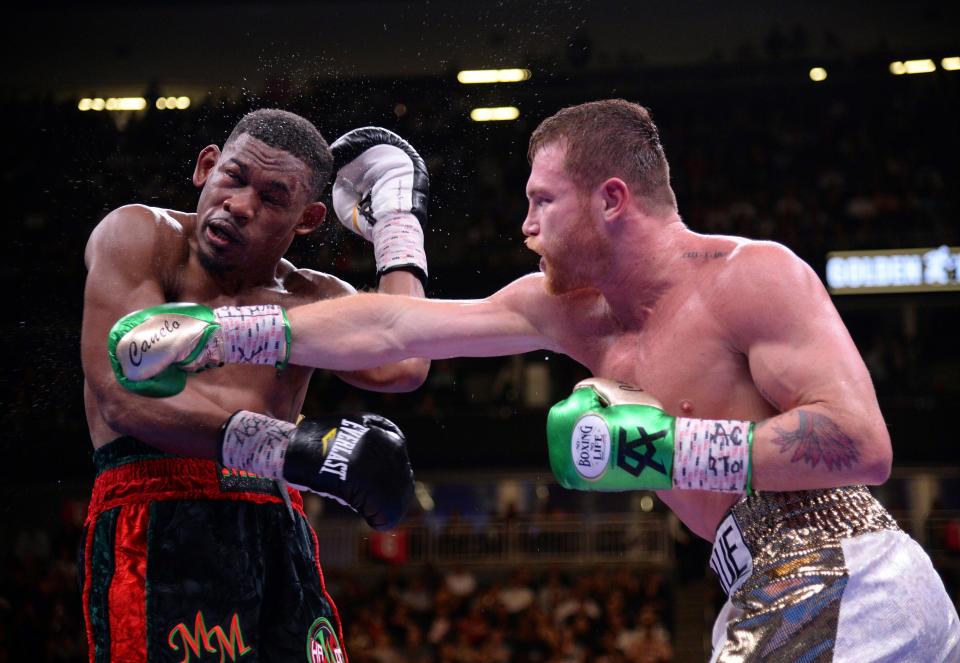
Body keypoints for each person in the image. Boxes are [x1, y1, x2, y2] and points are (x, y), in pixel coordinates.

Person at [111, 99, 960, 661]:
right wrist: (219, 328)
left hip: (847, 569)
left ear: (611, 199)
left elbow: (863, 444)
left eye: (541, 202)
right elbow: (394, 328)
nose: (522, 226)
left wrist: (666, 445)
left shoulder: (750, 276)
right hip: (765, 584)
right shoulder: (571, 310)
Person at [79, 108, 432, 662]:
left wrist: (396, 224)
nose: (240, 206)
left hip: (276, 523)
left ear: (309, 218)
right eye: (234, 178)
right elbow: (122, 393)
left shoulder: (313, 295)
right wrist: (294, 448)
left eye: (272, 198)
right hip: (161, 518)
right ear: (206, 165)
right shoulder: (142, 236)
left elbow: (405, 361)